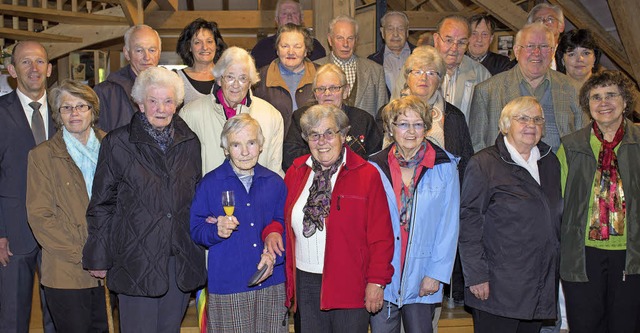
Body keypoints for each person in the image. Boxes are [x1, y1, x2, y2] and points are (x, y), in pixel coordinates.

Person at [83, 67, 207, 333]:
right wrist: (99, 256)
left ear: (177, 104)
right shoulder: (118, 143)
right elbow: (102, 204)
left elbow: (195, 196)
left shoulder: (190, 143)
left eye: (168, 101)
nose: (160, 108)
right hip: (135, 259)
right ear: (140, 103)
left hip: (178, 260)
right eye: (153, 101)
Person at [284, 104, 394, 332]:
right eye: (314, 135)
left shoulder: (366, 174)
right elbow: (281, 220)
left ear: (343, 135)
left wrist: (377, 281)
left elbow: (381, 236)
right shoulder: (296, 172)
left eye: (329, 133)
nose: (321, 141)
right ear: (306, 139)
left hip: (350, 282)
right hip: (305, 283)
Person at [459, 96, 562, 333]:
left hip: (538, 283)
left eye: (537, 119)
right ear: (505, 124)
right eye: (522, 118)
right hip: (497, 286)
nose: (531, 125)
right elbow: (469, 221)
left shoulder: (550, 162)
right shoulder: (484, 163)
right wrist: (476, 275)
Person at [368, 95, 460, 333]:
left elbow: (448, 227)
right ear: (390, 128)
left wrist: (436, 275)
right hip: (385, 275)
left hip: (423, 277)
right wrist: (372, 277)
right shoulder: (374, 167)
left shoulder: (444, 166)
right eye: (403, 124)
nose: (411, 131)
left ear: (427, 128)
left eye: (418, 124)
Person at [558, 70, 640, 333]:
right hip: (583, 254)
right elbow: (558, 203)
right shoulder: (570, 146)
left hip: (632, 254)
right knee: (585, 326)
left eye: (611, 95)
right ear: (587, 105)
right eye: (596, 97)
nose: (603, 102)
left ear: (625, 101)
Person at [190, 114, 288, 332]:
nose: (245, 152)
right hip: (228, 283)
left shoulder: (275, 183)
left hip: (271, 282)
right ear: (226, 149)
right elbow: (196, 229)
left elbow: (285, 227)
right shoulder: (210, 184)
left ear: (261, 146)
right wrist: (215, 230)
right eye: (236, 144)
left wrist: (275, 254)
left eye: (251, 143)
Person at [26, 80, 107, 333]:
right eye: (66, 108)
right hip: (66, 271)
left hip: (112, 270)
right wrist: (86, 256)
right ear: (57, 115)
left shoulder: (113, 146)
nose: (74, 113)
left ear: (92, 111)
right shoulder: (41, 156)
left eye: (81, 106)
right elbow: (40, 217)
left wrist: (108, 253)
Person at [0, 40, 56, 333]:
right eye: (25, 62)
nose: (33, 69)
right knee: (11, 317)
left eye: (39, 62)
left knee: (58, 316)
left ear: (49, 68)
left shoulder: (67, 110)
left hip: (59, 233)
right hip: (12, 234)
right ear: (12, 70)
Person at [469, 22, 585, 153]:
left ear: (552, 52)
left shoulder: (575, 90)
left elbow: (584, 146)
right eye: (530, 46)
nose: (537, 52)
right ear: (517, 51)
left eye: (544, 46)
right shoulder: (486, 91)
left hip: (560, 171)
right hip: (504, 172)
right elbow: (477, 147)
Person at [181, 46, 284, 176]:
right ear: (219, 79)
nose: (236, 85)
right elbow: (184, 171)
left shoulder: (271, 116)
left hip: (256, 195)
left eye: (243, 78)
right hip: (210, 194)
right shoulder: (190, 114)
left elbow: (275, 169)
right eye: (230, 77)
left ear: (250, 82)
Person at [389, 46, 473, 183]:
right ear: (407, 77)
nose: (424, 78)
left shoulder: (454, 116)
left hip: (444, 190)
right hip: (396, 189)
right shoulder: (389, 113)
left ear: (440, 81)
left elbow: (466, 164)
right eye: (417, 72)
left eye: (431, 73)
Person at [283, 63, 383, 171]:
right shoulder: (301, 118)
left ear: (345, 91)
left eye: (334, 88)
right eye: (321, 89)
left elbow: (375, 161)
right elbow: (290, 157)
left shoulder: (363, 120)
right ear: (315, 94)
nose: (327, 93)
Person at [316, 15, 388, 118]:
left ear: (356, 41)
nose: (345, 44)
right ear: (330, 40)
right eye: (340, 38)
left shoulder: (375, 71)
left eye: (350, 38)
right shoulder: (315, 68)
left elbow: (382, 115)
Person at [253, 23, 318, 138]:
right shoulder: (259, 78)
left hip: (314, 147)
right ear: (277, 50)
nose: (291, 52)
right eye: (285, 46)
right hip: (273, 147)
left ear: (306, 50)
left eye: (297, 47)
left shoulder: (321, 76)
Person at [94, 24, 162, 131]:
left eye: (152, 50)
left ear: (159, 53)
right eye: (139, 50)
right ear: (126, 53)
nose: (147, 57)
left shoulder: (170, 88)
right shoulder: (105, 92)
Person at [433, 15, 491, 123]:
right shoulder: (416, 69)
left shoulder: (482, 75)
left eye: (461, 42)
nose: (454, 48)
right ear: (436, 40)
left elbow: (489, 120)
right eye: (449, 40)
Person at [251, 0, 326, 69]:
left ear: (302, 18)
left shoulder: (315, 48)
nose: (289, 17)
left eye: (294, 13)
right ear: (276, 20)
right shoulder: (261, 49)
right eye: (284, 13)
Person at [176, 18, 227, 105]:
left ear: (216, 45)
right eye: (197, 42)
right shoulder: (177, 78)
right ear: (189, 47)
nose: (205, 47)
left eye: (209, 41)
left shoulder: (228, 76)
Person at [367, 11, 416, 93]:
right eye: (390, 29)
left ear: (407, 32)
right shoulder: (371, 62)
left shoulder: (422, 56)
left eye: (400, 29)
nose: (395, 34)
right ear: (382, 32)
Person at [527, 3, 565, 70]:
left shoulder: (569, 55)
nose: (544, 23)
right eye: (539, 20)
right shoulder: (524, 56)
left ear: (561, 27)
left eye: (550, 19)